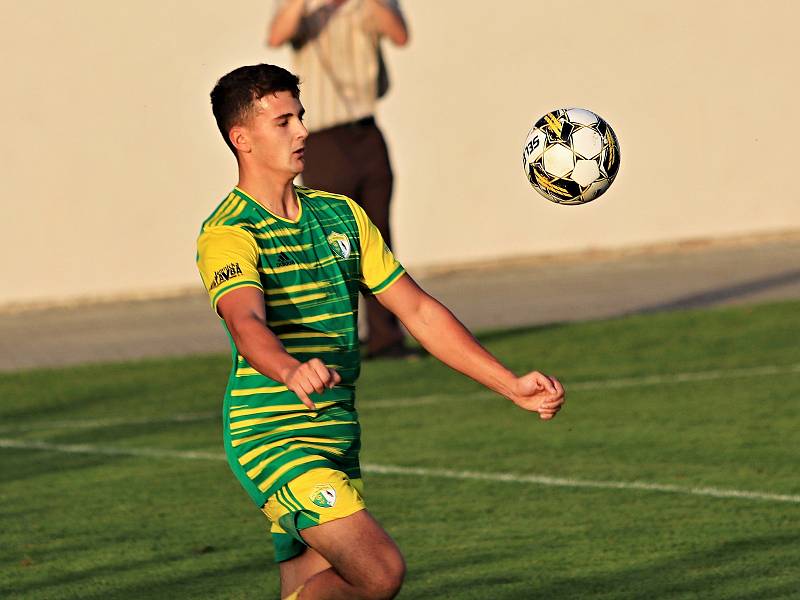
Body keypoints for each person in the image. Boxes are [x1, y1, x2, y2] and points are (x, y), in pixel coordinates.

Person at [197, 64, 566, 600]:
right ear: (242, 139)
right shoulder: (230, 232)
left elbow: (417, 312)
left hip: (336, 430)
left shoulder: (341, 215)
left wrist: (509, 385)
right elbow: (246, 321)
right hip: (271, 436)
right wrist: (289, 368)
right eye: (283, 122)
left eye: (300, 116)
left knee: (311, 587)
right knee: (378, 570)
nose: (302, 131)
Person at [267, 0, 411, 359]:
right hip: (323, 138)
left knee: (378, 237)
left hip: (366, 128)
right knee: (331, 242)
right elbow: (276, 36)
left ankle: (385, 338)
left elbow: (399, 34)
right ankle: (331, 337)